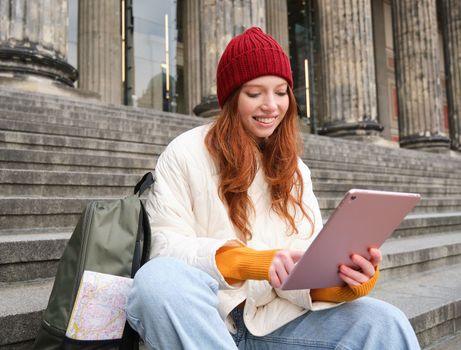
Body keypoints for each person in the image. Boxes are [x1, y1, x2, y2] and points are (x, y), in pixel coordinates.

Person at [126, 27, 420, 350]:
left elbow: (300, 274)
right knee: (156, 282)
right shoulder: (184, 153)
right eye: (255, 93)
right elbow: (163, 250)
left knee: (384, 322)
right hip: (206, 323)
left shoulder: (295, 171)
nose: (271, 105)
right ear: (231, 97)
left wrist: (349, 282)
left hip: (274, 324)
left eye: (281, 92)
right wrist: (248, 262)